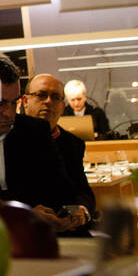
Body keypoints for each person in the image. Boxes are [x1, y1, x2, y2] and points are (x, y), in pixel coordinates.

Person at [0, 54, 83, 233]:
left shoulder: (36, 131)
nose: (8, 114)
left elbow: (62, 193)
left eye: (13, 103)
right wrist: (23, 214)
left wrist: (68, 214)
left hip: (39, 244)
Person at [23, 74, 96, 230]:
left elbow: (82, 190)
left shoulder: (73, 143)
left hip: (69, 229)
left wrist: (82, 210)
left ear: (62, 106)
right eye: (41, 95)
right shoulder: (8, 138)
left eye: (55, 97)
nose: (48, 101)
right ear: (25, 101)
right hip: (27, 229)